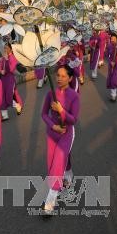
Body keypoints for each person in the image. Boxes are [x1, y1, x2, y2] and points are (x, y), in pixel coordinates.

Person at [41, 65, 80, 214]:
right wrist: (53, 126)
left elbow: (73, 119)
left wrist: (61, 111)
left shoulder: (74, 96)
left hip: (66, 134)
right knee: (53, 164)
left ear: (70, 78)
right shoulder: (50, 93)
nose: (59, 78)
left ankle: (50, 203)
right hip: (52, 134)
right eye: (58, 75)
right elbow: (44, 114)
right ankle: (69, 175)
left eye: (63, 76)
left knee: (57, 166)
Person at [0, 43, 23, 121]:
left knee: (9, 97)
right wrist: (1, 71)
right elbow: (0, 68)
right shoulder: (3, 58)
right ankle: (5, 115)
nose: (5, 50)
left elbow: (11, 69)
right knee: (2, 98)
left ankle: (17, 106)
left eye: (6, 48)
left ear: (10, 49)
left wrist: (7, 60)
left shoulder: (13, 58)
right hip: (3, 80)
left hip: (10, 80)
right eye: (4, 48)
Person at [105, 34, 117, 102]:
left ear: (116, 39)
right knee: (110, 79)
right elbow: (106, 55)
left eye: (113, 39)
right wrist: (110, 61)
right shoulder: (109, 45)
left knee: (114, 80)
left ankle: (113, 95)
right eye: (111, 38)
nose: (112, 40)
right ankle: (112, 94)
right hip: (111, 64)